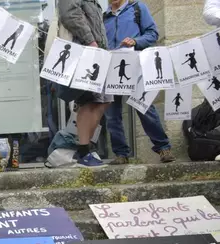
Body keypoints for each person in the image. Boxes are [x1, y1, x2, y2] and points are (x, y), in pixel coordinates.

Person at [103, 0, 175, 164]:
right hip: (110, 70)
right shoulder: (104, 17)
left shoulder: (137, 8)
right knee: (112, 115)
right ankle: (121, 154)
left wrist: (136, 41)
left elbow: (152, 34)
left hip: (134, 67)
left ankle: (163, 147)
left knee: (144, 108)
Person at [57, 0, 112, 167]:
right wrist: (91, 41)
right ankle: (83, 150)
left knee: (104, 100)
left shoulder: (94, 3)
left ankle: (84, 146)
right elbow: (69, 14)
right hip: (85, 53)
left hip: (97, 54)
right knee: (89, 101)